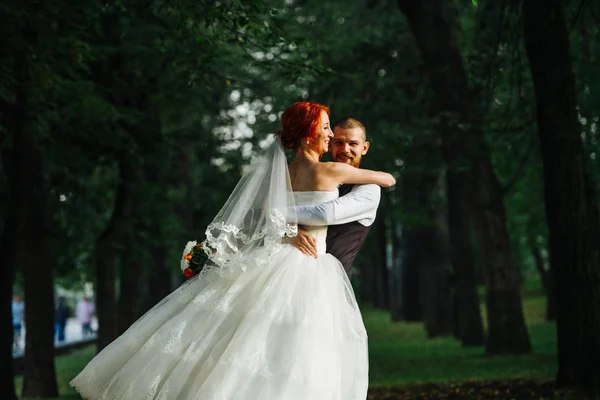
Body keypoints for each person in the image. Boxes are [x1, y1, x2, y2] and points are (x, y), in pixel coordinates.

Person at [70, 102, 395, 400]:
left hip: (277, 257)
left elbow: (269, 212)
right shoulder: (332, 172)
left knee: (243, 335)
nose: (330, 136)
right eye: (326, 129)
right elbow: (386, 179)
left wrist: (286, 229)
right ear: (310, 133)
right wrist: (381, 177)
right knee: (298, 347)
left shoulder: (280, 175)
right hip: (310, 266)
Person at [289, 117, 380, 278]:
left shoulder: (369, 189)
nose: (345, 149)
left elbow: (326, 213)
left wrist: (276, 215)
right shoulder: (312, 180)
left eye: (353, 144)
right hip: (291, 272)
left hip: (332, 282)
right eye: (339, 142)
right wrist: (289, 232)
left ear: (364, 148)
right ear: (330, 144)